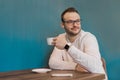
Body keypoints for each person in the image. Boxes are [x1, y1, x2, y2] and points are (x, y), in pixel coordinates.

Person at [48, 7, 107, 80]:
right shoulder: (61, 38)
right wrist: (75, 66)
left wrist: (67, 47)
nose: (75, 25)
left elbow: (95, 66)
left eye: (77, 21)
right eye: (70, 22)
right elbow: (53, 63)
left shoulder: (89, 38)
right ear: (62, 24)